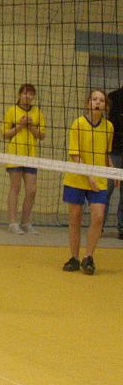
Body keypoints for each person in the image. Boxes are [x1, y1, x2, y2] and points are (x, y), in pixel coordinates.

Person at [62, 89, 114, 275]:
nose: (97, 103)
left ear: (105, 106)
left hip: (98, 179)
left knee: (98, 217)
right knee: (75, 218)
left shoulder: (109, 127)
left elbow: (105, 153)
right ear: (88, 103)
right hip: (77, 177)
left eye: (101, 100)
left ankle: (88, 257)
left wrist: (113, 170)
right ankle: (74, 258)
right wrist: (88, 175)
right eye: (94, 99)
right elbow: (75, 155)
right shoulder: (78, 123)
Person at [1, 84, 46, 235]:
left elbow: (42, 135)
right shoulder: (11, 111)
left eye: (31, 94)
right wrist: (20, 125)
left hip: (30, 156)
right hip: (15, 154)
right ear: (20, 94)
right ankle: (13, 223)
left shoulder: (37, 112)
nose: (28, 96)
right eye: (25, 93)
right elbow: (4, 134)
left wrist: (31, 126)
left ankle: (25, 222)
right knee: (15, 187)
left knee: (32, 190)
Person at [104, 85, 123, 239]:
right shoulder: (113, 97)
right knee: (106, 189)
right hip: (114, 151)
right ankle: (99, 225)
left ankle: (122, 228)